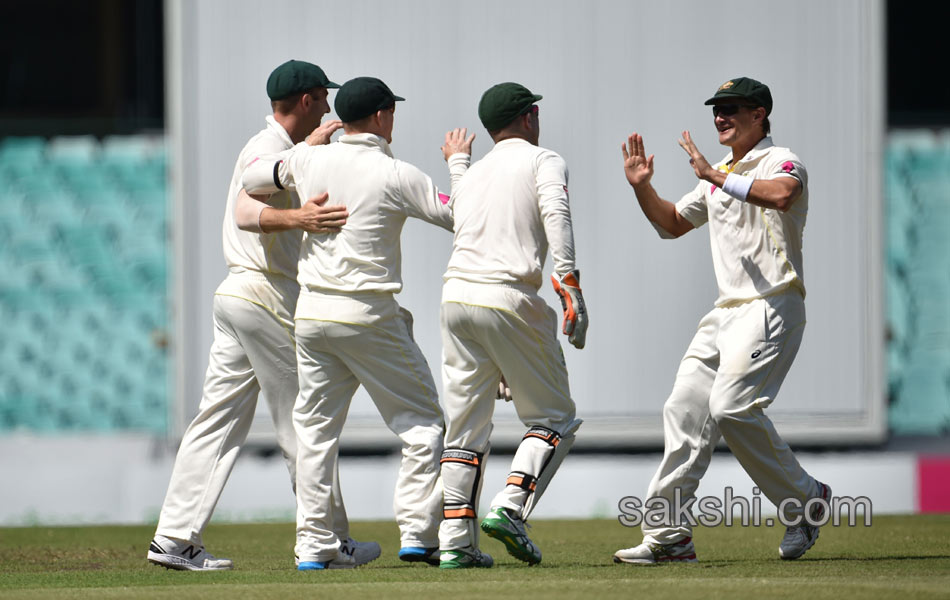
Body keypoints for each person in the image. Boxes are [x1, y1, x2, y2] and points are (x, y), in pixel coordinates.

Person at [147, 60, 379, 571]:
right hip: (266, 295)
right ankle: (329, 538)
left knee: (218, 420)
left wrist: (311, 152)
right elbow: (245, 213)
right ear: (306, 101)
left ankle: (174, 538)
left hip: (240, 296)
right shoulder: (267, 149)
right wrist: (302, 216)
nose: (328, 107)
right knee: (307, 420)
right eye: (323, 98)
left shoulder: (285, 151)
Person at [242, 76, 474, 570]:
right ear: (383, 116)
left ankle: (313, 546)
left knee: (315, 434)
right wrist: (458, 162)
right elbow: (465, 218)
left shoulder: (309, 160)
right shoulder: (396, 173)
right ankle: (417, 532)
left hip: (312, 316)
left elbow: (252, 178)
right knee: (424, 425)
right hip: (368, 316)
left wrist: (306, 152)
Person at [613, 77, 830, 565]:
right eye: (716, 109)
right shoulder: (720, 173)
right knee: (684, 408)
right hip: (725, 311)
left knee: (732, 408)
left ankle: (805, 501)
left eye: (731, 108)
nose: (720, 117)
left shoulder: (781, 160)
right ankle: (669, 535)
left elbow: (780, 196)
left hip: (772, 303)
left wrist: (714, 176)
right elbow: (671, 223)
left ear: (760, 114)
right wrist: (643, 188)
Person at [436, 82, 587, 569]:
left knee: (464, 430)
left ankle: (456, 543)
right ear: (530, 116)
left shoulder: (474, 172)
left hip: (456, 298)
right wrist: (568, 283)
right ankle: (511, 507)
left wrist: (457, 161)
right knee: (554, 418)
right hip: (509, 297)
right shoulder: (544, 159)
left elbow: (459, 211)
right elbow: (556, 214)